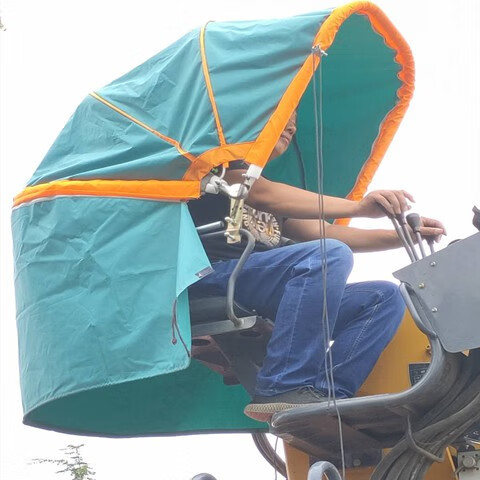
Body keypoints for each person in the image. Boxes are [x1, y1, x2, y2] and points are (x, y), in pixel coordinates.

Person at [188, 112, 446, 422]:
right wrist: (359, 207)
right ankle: (282, 386)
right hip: (213, 276)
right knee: (327, 256)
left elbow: (329, 232)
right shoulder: (217, 165)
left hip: (257, 284)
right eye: (281, 113)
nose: (292, 124)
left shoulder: (272, 194)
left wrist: (403, 234)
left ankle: (326, 395)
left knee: (383, 297)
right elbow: (262, 195)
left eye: (295, 118)